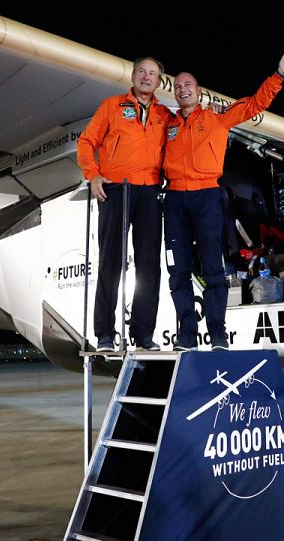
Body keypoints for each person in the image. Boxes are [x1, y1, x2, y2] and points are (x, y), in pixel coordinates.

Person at [163, 50, 284, 351]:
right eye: (178, 86)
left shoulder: (216, 119)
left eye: (188, 85)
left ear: (199, 92)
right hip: (174, 199)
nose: (183, 89)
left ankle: (218, 334)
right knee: (178, 271)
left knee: (214, 268)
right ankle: (186, 335)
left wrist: (278, 77)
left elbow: (254, 104)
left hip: (207, 196)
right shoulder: (166, 124)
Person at [77, 56, 172, 353]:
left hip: (150, 192)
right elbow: (86, 142)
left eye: (152, 73)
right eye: (141, 71)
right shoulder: (111, 106)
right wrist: (92, 176)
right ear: (132, 77)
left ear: (159, 82)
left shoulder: (165, 114)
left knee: (149, 266)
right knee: (110, 261)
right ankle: (104, 333)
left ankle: (143, 333)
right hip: (116, 190)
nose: (146, 77)